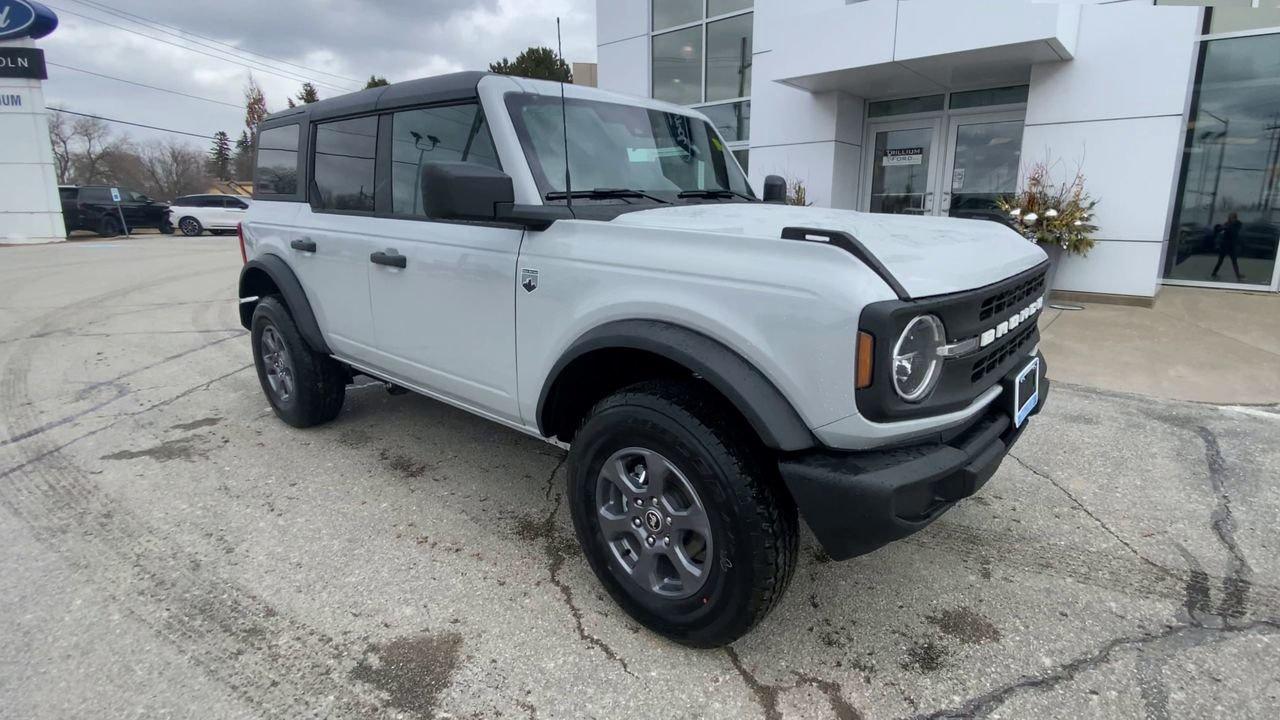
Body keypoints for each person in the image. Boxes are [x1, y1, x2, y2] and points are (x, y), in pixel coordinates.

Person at [1211, 212, 1245, 281]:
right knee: (1220, 261)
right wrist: (1219, 228)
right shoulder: (1227, 223)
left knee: (1234, 261)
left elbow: (1234, 231)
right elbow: (1220, 229)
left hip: (1232, 246)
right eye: (1230, 217)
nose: (1230, 219)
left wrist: (1226, 227)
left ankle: (1238, 275)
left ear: (1235, 218)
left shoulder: (1238, 224)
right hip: (1225, 245)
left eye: (1232, 217)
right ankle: (1214, 273)